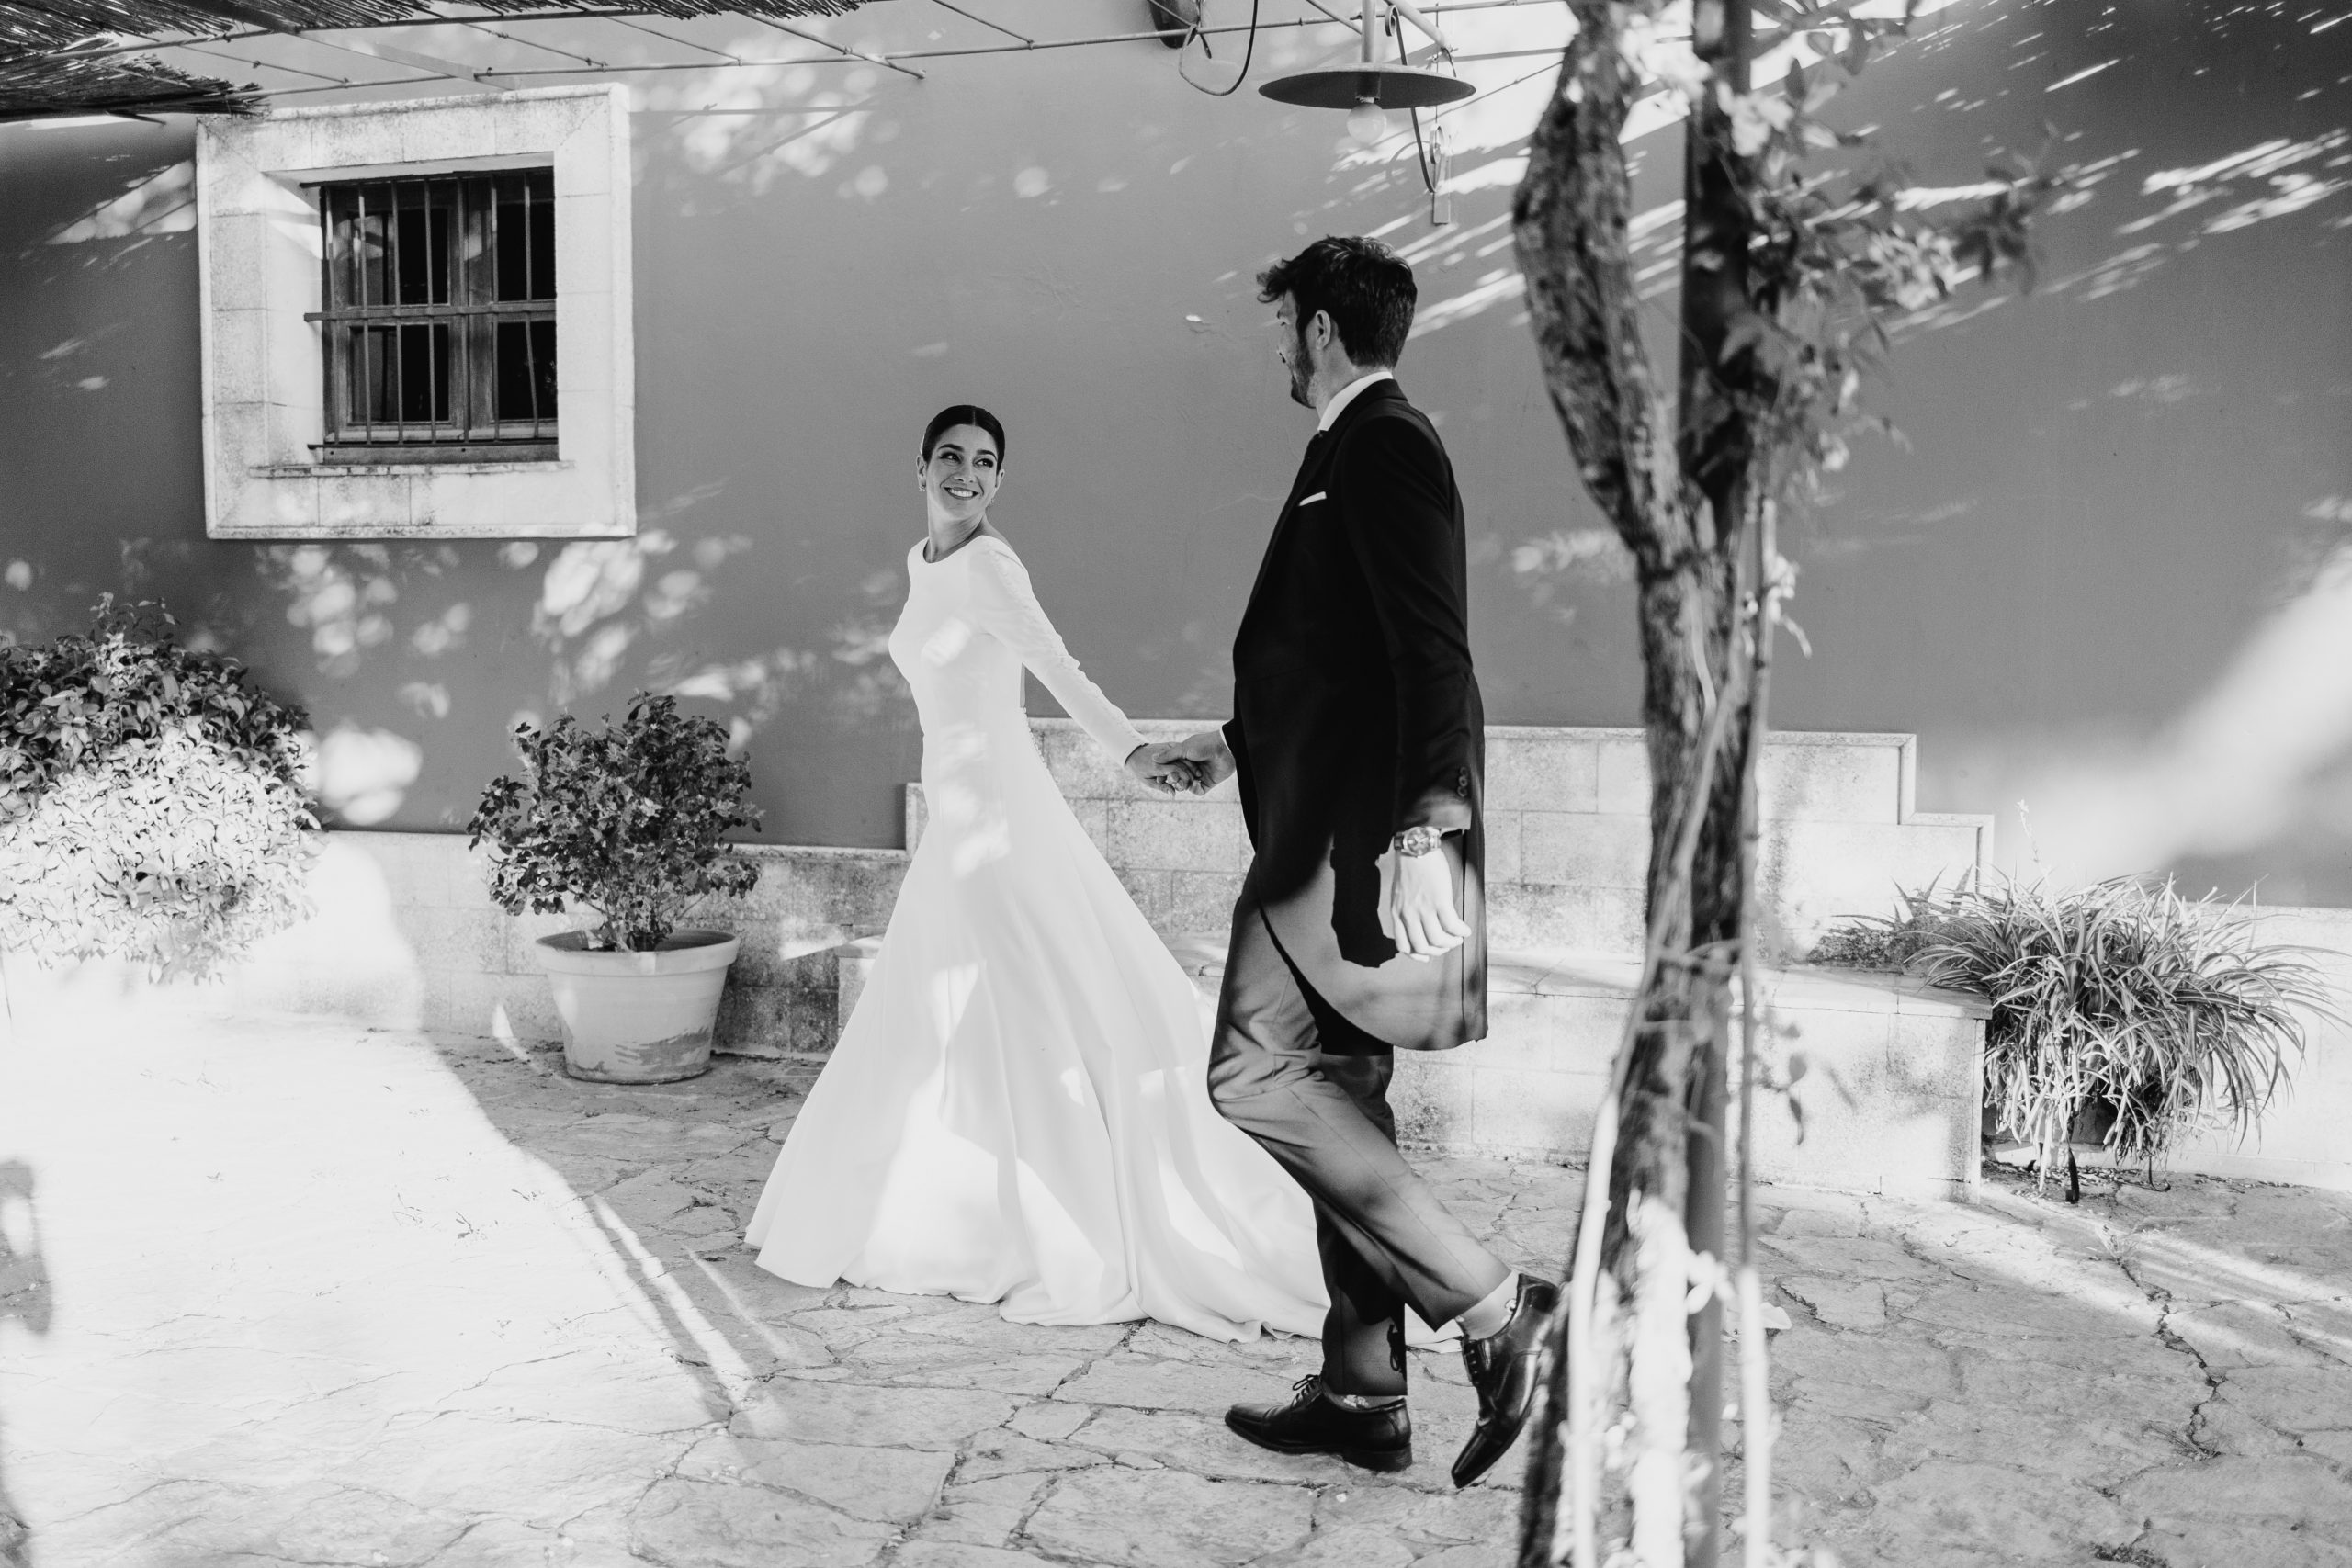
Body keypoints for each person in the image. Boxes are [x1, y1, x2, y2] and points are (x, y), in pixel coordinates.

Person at [742, 404, 1329, 1344]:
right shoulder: (921, 561)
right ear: (921, 468)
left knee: (1023, 999)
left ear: (999, 481)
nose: (964, 475)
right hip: (957, 814)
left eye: (983, 463)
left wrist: (1132, 751)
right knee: (936, 1011)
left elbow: (1055, 663)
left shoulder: (990, 566)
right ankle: (939, 1199)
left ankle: (1067, 1218)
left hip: (999, 817)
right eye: (949, 458)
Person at [1159, 238, 1559, 1487]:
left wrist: (1425, 826)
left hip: (1341, 857)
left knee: (1250, 1075)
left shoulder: (1387, 439)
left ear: (1322, 328)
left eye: (1284, 326)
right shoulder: (1347, 444)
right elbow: (1335, 650)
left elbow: (1433, 649)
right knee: (1338, 1099)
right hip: (1311, 825)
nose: (1278, 350)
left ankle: (1498, 1305)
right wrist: (1231, 744)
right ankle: (1363, 1388)